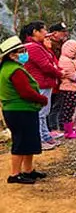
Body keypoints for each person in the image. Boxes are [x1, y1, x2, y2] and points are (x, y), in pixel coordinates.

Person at [0, 37, 49, 185]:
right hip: (20, 110)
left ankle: (28, 170)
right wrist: (42, 99)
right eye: (21, 51)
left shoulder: (7, 68)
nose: (24, 54)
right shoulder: (15, 71)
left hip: (18, 110)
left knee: (29, 141)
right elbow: (25, 92)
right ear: (11, 55)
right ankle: (15, 174)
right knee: (21, 142)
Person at [20, 21, 63, 149]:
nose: (46, 33)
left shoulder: (34, 46)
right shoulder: (34, 47)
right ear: (35, 32)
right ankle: (39, 139)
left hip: (42, 83)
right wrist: (60, 74)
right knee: (40, 113)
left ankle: (45, 136)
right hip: (41, 83)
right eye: (43, 30)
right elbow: (45, 66)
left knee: (44, 112)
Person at [56, 40, 76, 140]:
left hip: (75, 88)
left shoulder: (73, 60)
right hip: (68, 89)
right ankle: (68, 131)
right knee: (68, 110)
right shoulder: (64, 60)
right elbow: (71, 75)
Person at [46, 22, 71, 134]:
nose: (65, 34)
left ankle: (61, 126)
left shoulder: (62, 44)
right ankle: (53, 128)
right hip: (54, 80)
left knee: (61, 105)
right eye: (62, 32)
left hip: (62, 79)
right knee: (53, 106)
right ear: (54, 33)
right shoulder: (50, 46)